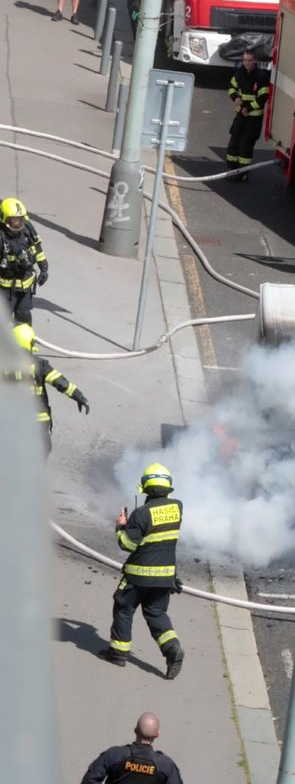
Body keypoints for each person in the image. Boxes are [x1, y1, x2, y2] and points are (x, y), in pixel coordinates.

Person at [99, 462, 185, 677]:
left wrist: (121, 527)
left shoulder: (141, 514)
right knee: (156, 612)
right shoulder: (177, 507)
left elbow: (127, 545)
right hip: (165, 575)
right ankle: (172, 648)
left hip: (139, 575)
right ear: (168, 487)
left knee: (124, 608)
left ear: (145, 488)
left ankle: (118, 654)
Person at [4, 323, 90, 455]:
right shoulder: (40, 365)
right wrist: (79, 396)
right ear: (30, 342)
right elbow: (61, 382)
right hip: (39, 420)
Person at [80, 711, 184, 783]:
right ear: (157, 735)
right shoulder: (166, 765)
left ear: (135, 731)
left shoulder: (113, 755)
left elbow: (90, 780)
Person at [0, 196, 49, 322]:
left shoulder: (27, 230)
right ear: (4, 218)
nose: (18, 223)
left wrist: (44, 268)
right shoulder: (1, 238)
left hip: (25, 287)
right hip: (5, 289)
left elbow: (37, 248)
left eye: (20, 219)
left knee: (24, 317)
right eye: (14, 220)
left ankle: (24, 341)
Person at [226, 48, 270, 179]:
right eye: (245, 60)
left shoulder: (261, 76)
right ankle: (231, 169)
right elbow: (231, 87)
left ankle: (242, 173)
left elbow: (263, 97)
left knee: (246, 145)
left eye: (250, 60)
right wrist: (235, 98)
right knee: (234, 142)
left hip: (253, 118)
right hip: (240, 116)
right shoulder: (240, 73)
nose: (247, 63)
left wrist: (248, 108)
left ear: (255, 61)